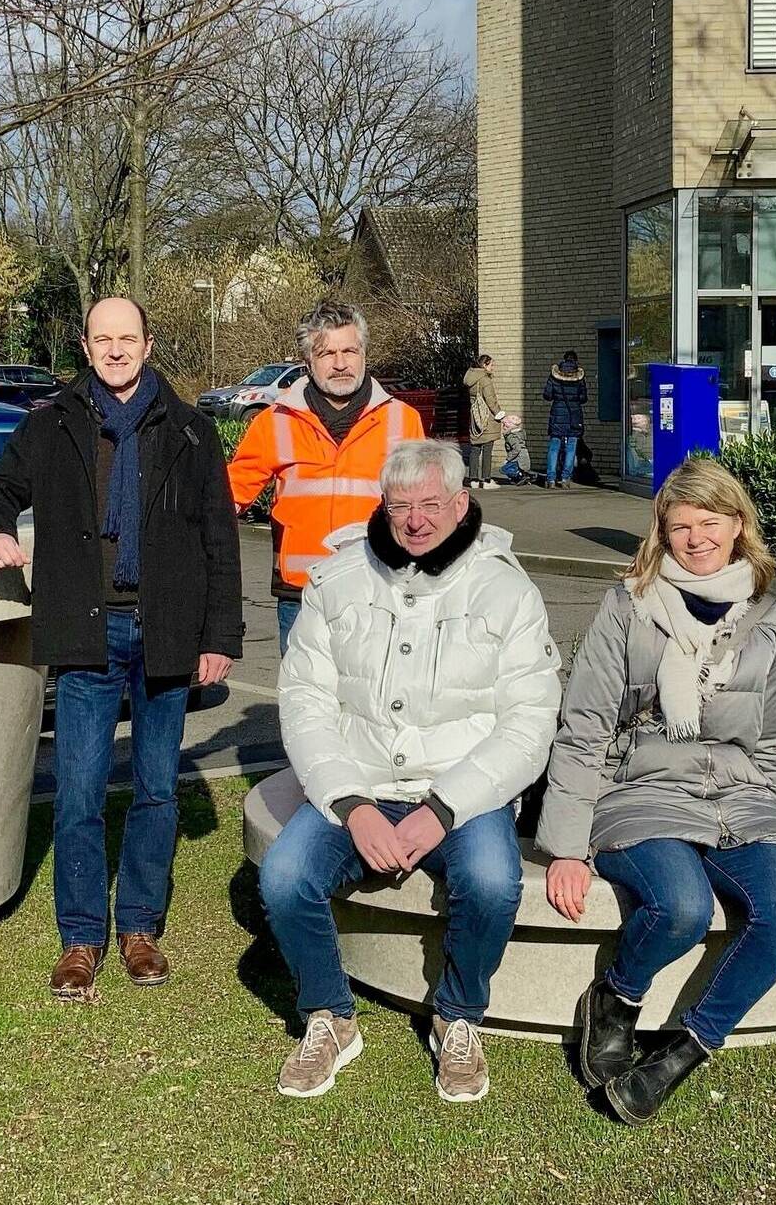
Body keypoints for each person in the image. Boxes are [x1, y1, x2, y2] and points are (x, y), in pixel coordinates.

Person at [261, 439, 561, 1103]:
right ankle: (331, 1015)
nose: (416, 520)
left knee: (491, 879)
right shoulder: (337, 579)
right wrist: (349, 802)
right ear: (383, 507)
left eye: (431, 504)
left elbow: (530, 722)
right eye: (401, 507)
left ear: (461, 503)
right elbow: (306, 702)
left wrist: (445, 807)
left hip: (463, 792)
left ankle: (458, 1015)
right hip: (362, 782)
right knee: (285, 876)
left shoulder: (506, 588)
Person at [0, 297, 243, 1002]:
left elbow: (219, 539)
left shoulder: (189, 430)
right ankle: (81, 936)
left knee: (155, 791)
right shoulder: (52, 424)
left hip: (168, 630)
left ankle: (140, 927)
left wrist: (220, 636)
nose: (115, 350)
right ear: (85, 347)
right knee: (80, 792)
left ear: (148, 344)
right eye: (102, 339)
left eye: (127, 338)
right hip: (88, 631)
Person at [535, 458, 776, 1125]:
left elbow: (774, 740)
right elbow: (585, 728)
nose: (695, 537)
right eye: (679, 524)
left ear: (737, 523)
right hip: (642, 787)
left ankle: (684, 1050)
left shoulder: (769, 616)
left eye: (709, 521)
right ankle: (616, 998)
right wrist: (567, 844)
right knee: (681, 906)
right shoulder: (628, 604)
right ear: (662, 530)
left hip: (740, 795)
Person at [227, 301, 425, 653]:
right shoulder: (276, 421)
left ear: (364, 353)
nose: (340, 363)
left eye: (349, 350)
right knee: (304, 705)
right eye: (326, 353)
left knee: (374, 705)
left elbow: (426, 510)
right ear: (307, 361)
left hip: (379, 592)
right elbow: (227, 496)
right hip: (302, 596)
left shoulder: (403, 421)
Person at [542, 350, 587, 488]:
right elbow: (584, 398)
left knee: (554, 446)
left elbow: (547, 395)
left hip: (557, 414)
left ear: (564, 359)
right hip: (574, 415)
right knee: (571, 448)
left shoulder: (554, 375)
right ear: (575, 360)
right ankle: (565, 479)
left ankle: (550, 479)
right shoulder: (579, 376)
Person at [462, 353, 505, 489]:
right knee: (487, 448)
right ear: (485, 365)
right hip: (487, 418)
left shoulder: (471, 378)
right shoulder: (485, 380)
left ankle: (473, 479)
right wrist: (499, 414)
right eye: (491, 365)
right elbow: (490, 400)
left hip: (475, 416)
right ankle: (486, 480)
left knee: (475, 449)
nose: (493, 367)